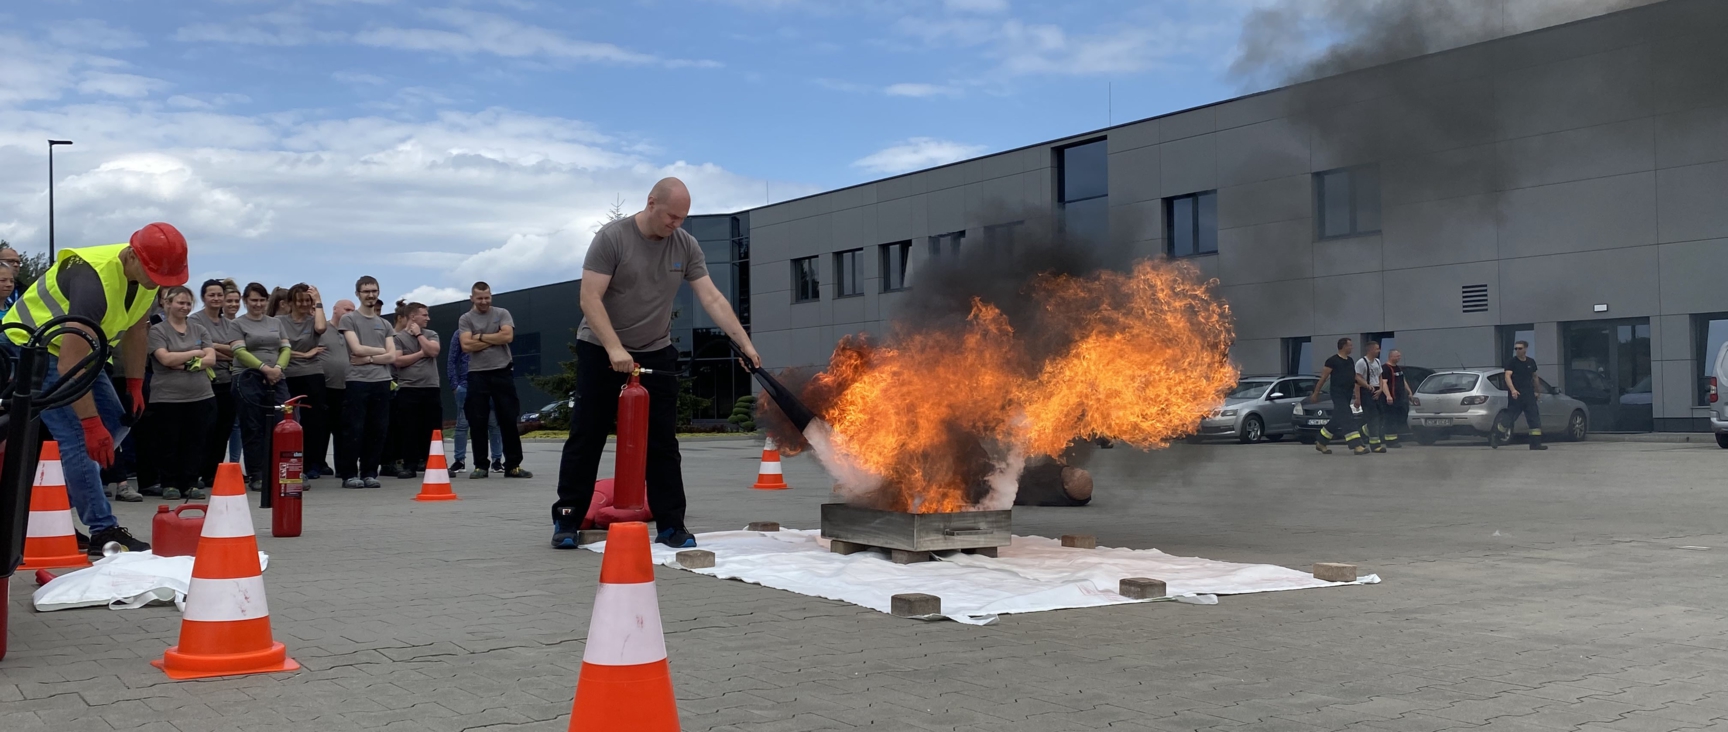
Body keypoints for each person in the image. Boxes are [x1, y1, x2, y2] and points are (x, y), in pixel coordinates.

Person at [552, 178, 762, 550]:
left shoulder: (685, 245)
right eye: (671, 216)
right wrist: (615, 348)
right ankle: (567, 518)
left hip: (655, 350)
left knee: (663, 442)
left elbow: (711, 297)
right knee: (588, 435)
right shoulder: (612, 238)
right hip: (601, 347)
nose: (676, 225)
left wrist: (744, 344)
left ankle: (671, 525)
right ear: (651, 203)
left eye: (682, 218)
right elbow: (589, 298)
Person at [0, 222, 191, 553]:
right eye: (154, 275)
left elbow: (136, 329)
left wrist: (134, 384)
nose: (157, 283)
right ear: (132, 255)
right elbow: (67, 365)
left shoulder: (147, 274)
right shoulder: (93, 280)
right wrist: (89, 424)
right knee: (79, 436)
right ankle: (103, 530)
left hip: (79, 353)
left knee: (117, 421)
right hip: (33, 350)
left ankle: (45, 514)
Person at [147, 285, 217, 501]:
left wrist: (185, 362)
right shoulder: (157, 331)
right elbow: (165, 359)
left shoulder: (199, 330)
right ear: (167, 304)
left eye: (188, 303)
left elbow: (211, 359)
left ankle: (190, 482)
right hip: (167, 398)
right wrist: (196, 353)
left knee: (195, 442)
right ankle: (170, 483)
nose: (184, 307)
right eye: (180, 302)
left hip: (201, 395)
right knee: (169, 442)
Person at [458, 282, 531, 480]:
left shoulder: (502, 313)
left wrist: (479, 336)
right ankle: (481, 466)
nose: (484, 301)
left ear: (491, 296)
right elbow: (465, 345)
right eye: (479, 298)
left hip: (502, 372)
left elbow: (508, 336)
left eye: (487, 297)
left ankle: (513, 465)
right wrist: (495, 337)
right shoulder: (465, 319)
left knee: (508, 418)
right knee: (477, 420)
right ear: (472, 298)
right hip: (477, 374)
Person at [231, 282, 291, 491]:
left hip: (276, 377)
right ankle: (257, 473)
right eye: (253, 300)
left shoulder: (276, 322)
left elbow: (285, 348)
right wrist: (264, 368)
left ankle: (280, 471)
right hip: (248, 378)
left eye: (262, 300)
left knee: (282, 423)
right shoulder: (237, 323)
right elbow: (239, 352)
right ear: (245, 301)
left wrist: (277, 368)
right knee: (253, 426)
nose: (258, 304)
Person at [339, 276, 397, 489]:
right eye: (366, 291)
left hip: (382, 381)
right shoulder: (349, 320)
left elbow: (392, 357)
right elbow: (356, 349)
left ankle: (370, 472)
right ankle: (349, 474)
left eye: (374, 291)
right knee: (354, 428)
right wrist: (382, 350)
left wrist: (370, 358)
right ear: (358, 294)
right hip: (357, 381)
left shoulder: (385, 324)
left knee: (378, 428)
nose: (370, 295)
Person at [191, 279, 241, 488]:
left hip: (228, 381)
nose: (216, 299)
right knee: (204, 429)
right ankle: (197, 471)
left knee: (224, 429)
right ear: (203, 297)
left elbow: (239, 349)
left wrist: (216, 348)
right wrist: (225, 351)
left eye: (219, 295)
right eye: (212, 295)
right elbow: (202, 349)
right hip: (205, 382)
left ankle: (214, 472)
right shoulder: (195, 321)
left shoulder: (230, 323)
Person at [278, 283, 330, 480]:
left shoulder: (312, 320)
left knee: (314, 421)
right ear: (290, 302)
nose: (303, 304)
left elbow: (321, 327)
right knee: (288, 421)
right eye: (299, 300)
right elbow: (278, 349)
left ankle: (312, 464)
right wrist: (305, 354)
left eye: (306, 300)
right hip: (287, 374)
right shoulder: (279, 322)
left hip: (312, 374)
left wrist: (318, 302)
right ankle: (289, 462)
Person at [387, 300, 441, 479]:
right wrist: (420, 353)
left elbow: (433, 351)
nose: (428, 318)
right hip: (409, 389)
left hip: (431, 387)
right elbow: (398, 361)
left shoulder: (431, 333)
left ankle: (433, 463)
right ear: (412, 317)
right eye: (424, 315)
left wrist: (419, 336)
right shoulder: (398, 338)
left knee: (432, 429)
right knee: (409, 429)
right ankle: (410, 465)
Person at [448, 336, 503, 474]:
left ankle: (496, 460)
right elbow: (452, 359)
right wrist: (454, 384)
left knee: (493, 423)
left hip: (489, 384)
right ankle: (459, 460)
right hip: (465, 385)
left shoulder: (490, 332)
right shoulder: (460, 333)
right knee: (462, 424)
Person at [1309, 337, 1368, 456]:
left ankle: (1321, 442)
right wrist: (1316, 393)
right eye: (1350, 345)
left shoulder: (1350, 361)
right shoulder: (1332, 361)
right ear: (1343, 346)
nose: (1352, 348)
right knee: (1347, 417)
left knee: (1337, 419)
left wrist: (1367, 385)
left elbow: (1355, 377)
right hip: (1337, 393)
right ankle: (1356, 445)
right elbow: (1323, 378)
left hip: (1347, 394)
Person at [319, 299, 355, 477]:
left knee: (344, 430)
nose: (350, 312)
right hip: (325, 386)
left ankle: (343, 468)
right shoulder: (322, 329)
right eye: (347, 309)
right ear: (335, 309)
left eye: (353, 310)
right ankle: (318, 464)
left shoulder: (351, 332)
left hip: (346, 386)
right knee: (321, 428)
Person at [1495, 340, 1546, 451]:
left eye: (1520, 348)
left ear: (1525, 349)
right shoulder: (1512, 362)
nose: (1517, 350)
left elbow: (1535, 376)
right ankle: (1496, 436)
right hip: (1516, 395)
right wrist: (1513, 390)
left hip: (1529, 395)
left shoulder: (1531, 362)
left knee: (1534, 419)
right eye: (1516, 349)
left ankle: (1535, 444)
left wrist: (1537, 391)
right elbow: (1507, 376)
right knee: (1510, 417)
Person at [223, 280, 244, 470]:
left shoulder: (241, 323)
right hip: (218, 378)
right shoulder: (216, 323)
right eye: (229, 300)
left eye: (236, 301)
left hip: (237, 377)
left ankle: (235, 464)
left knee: (237, 425)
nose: (233, 305)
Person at [1354, 340, 1387, 454]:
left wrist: (1381, 389)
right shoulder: (1361, 363)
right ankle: (1375, 445)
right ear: (1370, 349)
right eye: (1377, 348)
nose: (1379, 351)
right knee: (1373, 418)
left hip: (1377, 390)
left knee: (1381, 416)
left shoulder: (1377, 362)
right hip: (1367, 391)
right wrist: (1358, 398)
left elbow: (1380, 376)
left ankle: (1362, 431)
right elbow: (1357, 380)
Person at [1381, 350, 1412, 448]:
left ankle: (1392, 437)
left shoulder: (1398, 368)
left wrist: (1409, 392)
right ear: (1391, 356)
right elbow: (1383, 383)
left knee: (1399, 417)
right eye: (1397, 356)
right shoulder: (1385, 368)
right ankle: (1391, 441)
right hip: (1390, 399)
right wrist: (1388, 395)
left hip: (1400, 399)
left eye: (1400, 356)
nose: (1399, 358)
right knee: (1390, 419)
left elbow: (1403, 380)